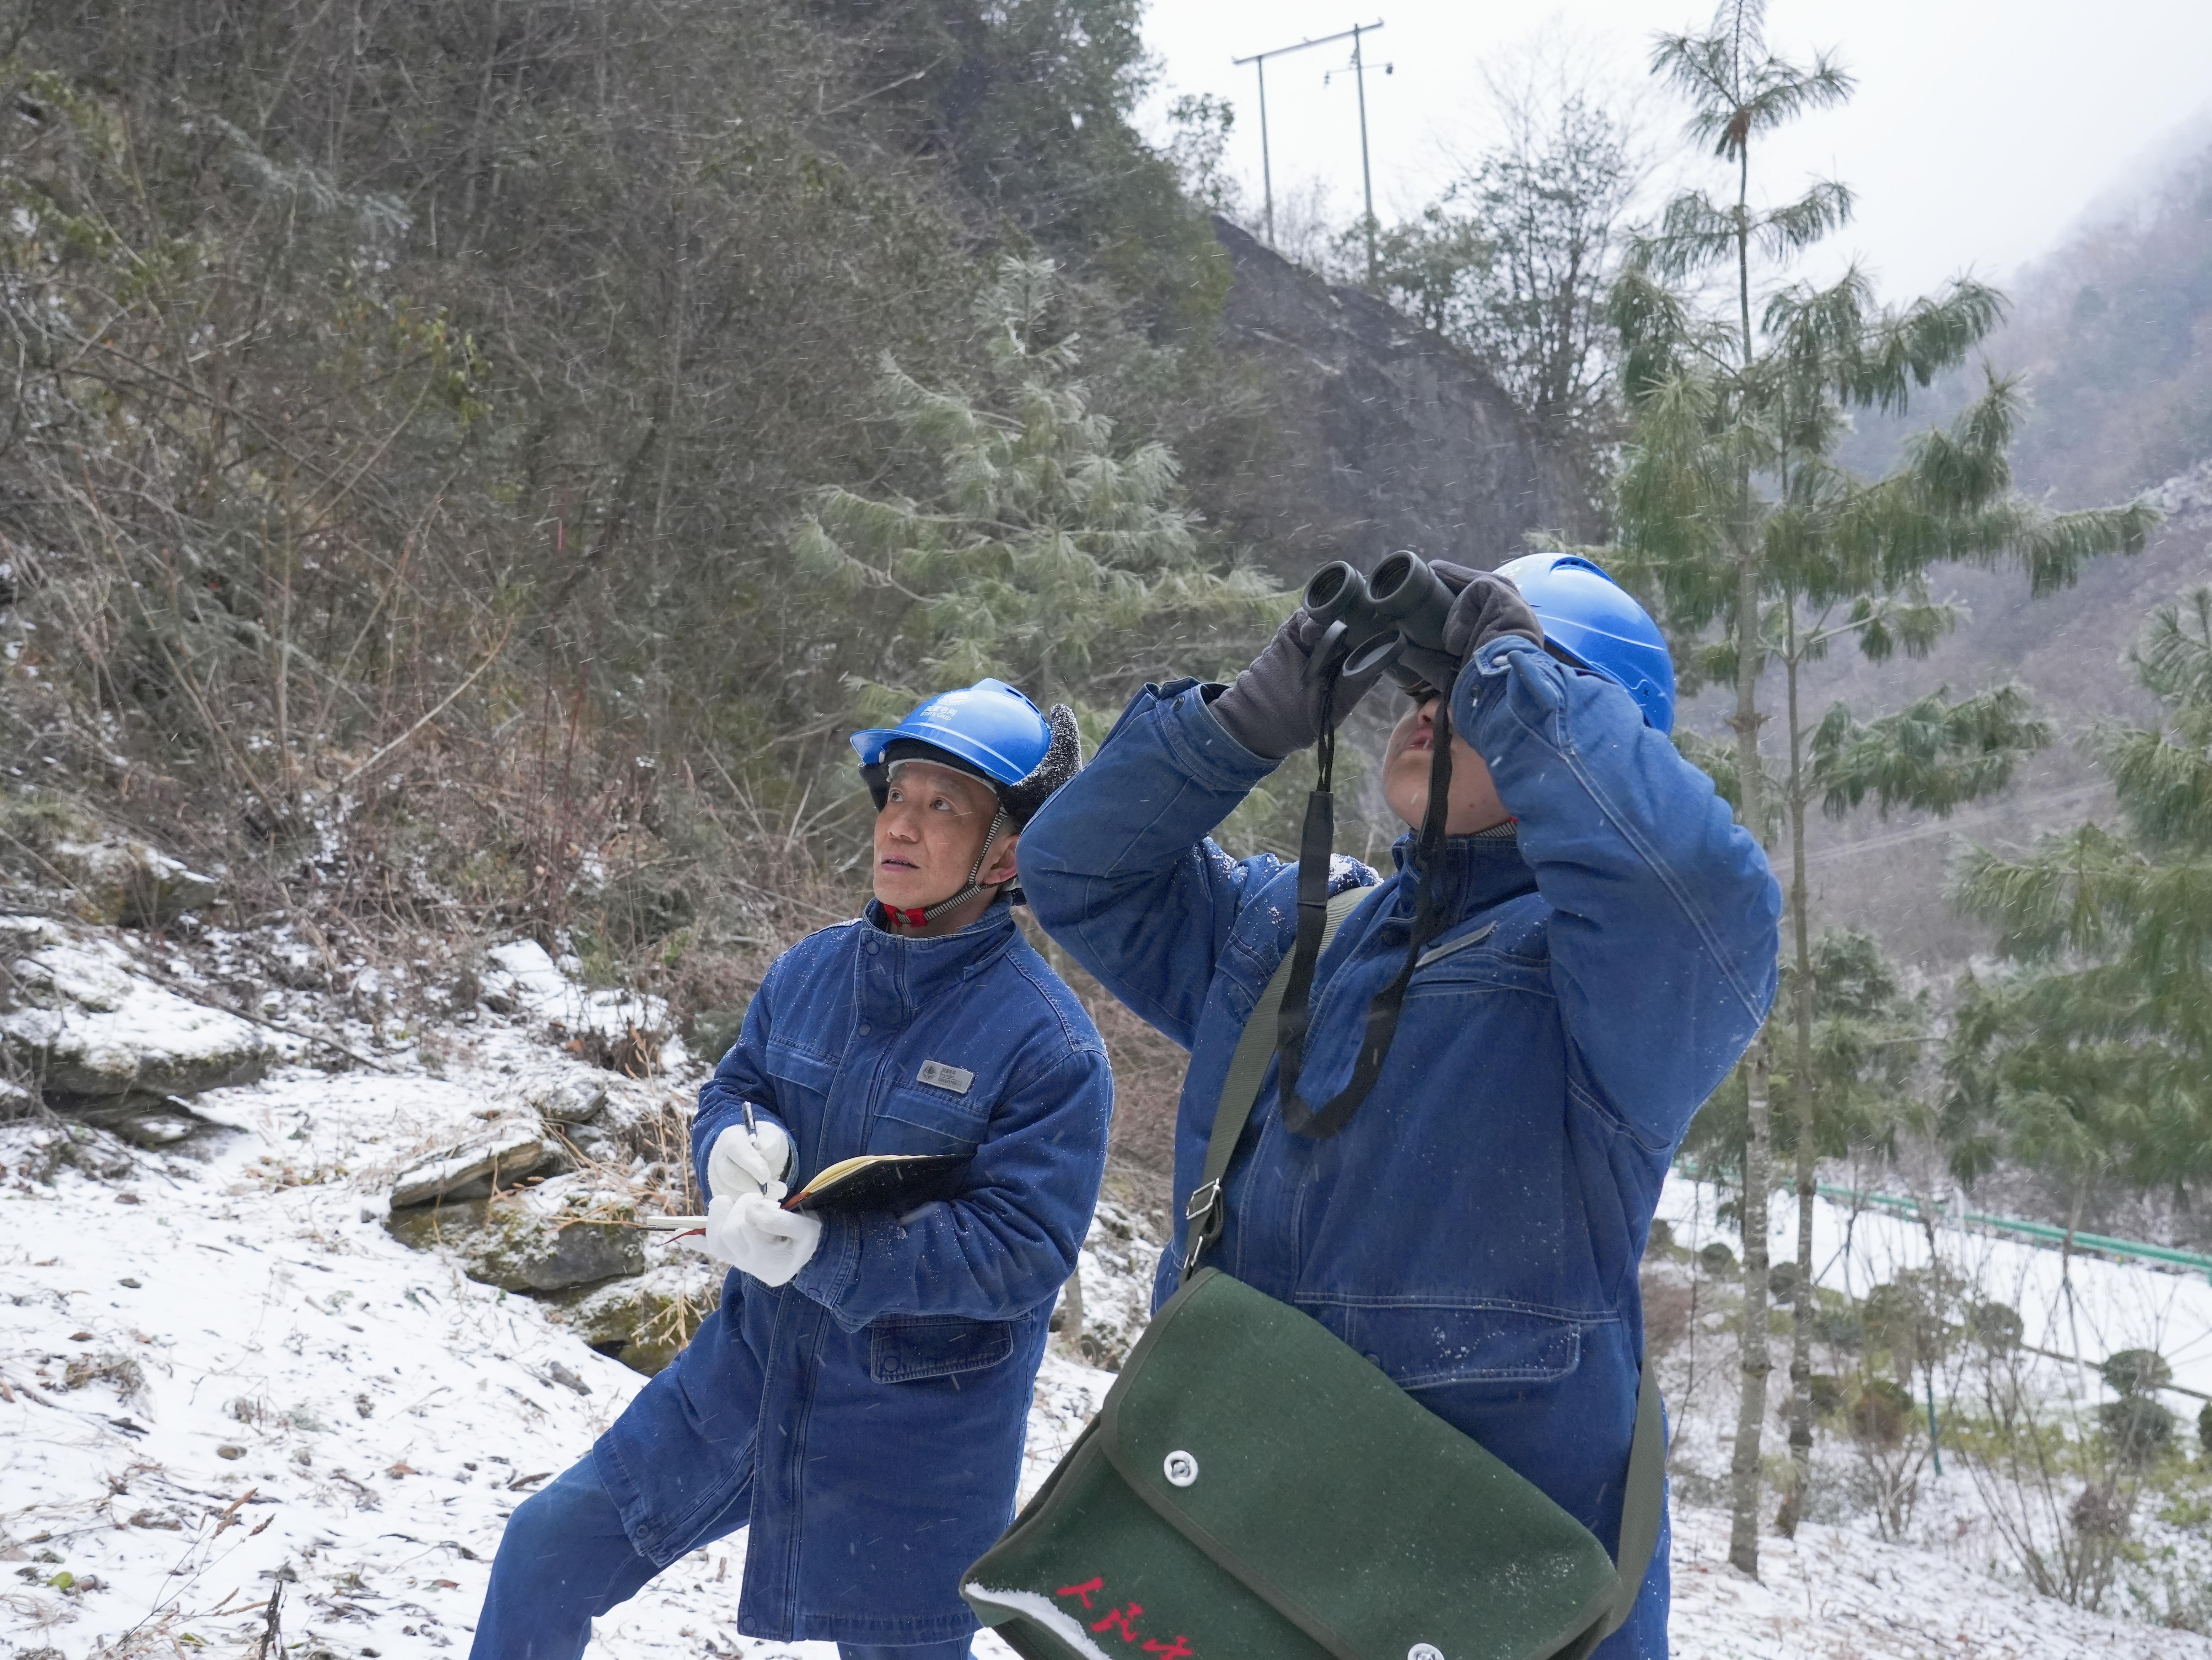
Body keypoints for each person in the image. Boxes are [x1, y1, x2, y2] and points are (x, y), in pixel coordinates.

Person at [1016, 554, 1780, 1658]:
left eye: (1471, 693)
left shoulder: (1613, 992)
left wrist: (1514, 682)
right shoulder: (1296, 929)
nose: (1436, 712)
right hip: (1231, 1549)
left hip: (1470, 1599)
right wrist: (1241, 725)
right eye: (1426, 690)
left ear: (1589, 740)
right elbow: (1081, 871)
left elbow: (1707, 899)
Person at [472, 678, 1111, 1660]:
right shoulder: (810, 971)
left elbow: (1022, 1250)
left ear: (1009, 851)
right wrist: (728, 1140)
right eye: (899, 793)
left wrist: (829, 1250)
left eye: (946, 805)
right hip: (747, 1376)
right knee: (545, 1549)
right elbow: (737, 1085)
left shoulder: (1051, 1046)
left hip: (912, 1439)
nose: (903, 822)